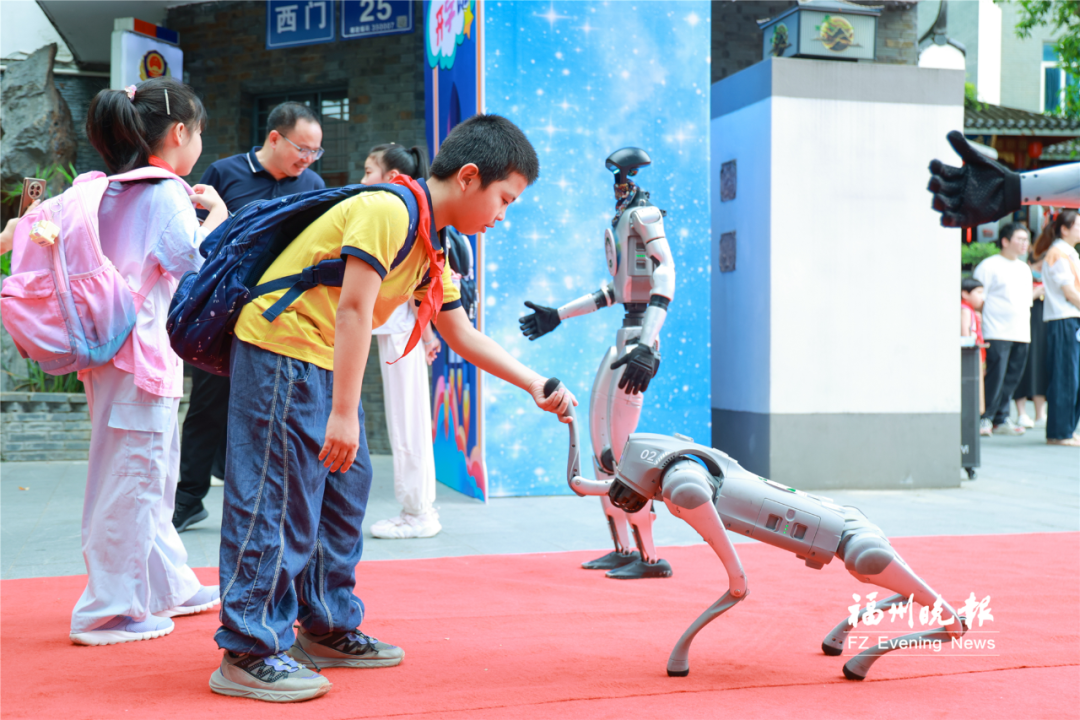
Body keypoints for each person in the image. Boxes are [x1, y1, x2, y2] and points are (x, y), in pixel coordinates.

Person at [208, 114, 575, 702]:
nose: (503, 215)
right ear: (471, 177)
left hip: (320, 360)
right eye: (504, 199)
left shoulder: (433, 242)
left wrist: (534, 383)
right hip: (281, 347)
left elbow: (460, 333)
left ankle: (325, 624)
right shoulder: (391, 210)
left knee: (344, 486)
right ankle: (249, 650)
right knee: (276, 497)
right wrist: (346, 414)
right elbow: (354, 309)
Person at [69, 77, 228, 645]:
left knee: (147, 474)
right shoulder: (163, 192)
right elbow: (201, 270)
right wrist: (220, 215)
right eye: (201, 132)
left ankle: (167, 586)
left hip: (115, 354)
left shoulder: (107, 188)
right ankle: (109, 609)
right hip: (142, 357)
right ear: (180, 131)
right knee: (134, 478)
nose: (201, 144)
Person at [173, 102, 326, 532]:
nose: (308, 159)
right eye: (302, 148)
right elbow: (198, 237)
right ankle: (188, 499)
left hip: (282, 315)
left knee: (275, 411)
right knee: (206, 405)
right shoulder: (225, 173)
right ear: (274, 138)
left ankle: (273, 507)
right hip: (224, 311)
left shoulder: (311, 184)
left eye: (316, 152)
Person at [361, 143, 445, 539]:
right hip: (394, 325)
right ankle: (418, 511)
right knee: (406, 418)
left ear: (392, 178)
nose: (362, 181)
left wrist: (423, 332)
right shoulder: (398, 214)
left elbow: (420, 280)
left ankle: (419, 513)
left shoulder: (403, 215)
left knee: (408, 419)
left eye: (367, 172)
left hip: (399, 329)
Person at [973, 224, 1033, 436]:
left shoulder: (1024, 268)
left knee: (1013, 377)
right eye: (1019, 238)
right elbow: (979, 299)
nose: (1024, 243)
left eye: (1026, 239)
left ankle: (1001, 417)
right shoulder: (989, 266)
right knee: (996, 376)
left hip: (1021, 330)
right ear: (1005, 241)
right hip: (996, 330)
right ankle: (985, 417)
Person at [1034, 209, 1080, 446]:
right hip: (1063, 319)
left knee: (1073, 376)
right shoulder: (1058, 253)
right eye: (1078, 225)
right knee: (1065, 376)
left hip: (1071, 318)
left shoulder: (1068, 252)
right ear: (1065, 228)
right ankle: (1059, 432)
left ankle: (1067, 429)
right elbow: (1069, 291)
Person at [1013, 234, 1050, 428]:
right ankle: (1021, 413)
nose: (1041, 271)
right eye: (1038, 267)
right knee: (1024, 367)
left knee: (1041, 366)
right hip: (1023, 325)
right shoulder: (1021, 274)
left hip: (1043, 326)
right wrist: (1037, 292)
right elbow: (1018, 300)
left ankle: (1040, 413)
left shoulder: (1051, 277)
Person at [961, 277, 990, 433]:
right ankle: (973, 424)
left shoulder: (970, 311)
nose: (982, 297)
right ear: (965, 293)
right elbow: (965, 335)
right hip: (971, 355)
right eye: (978, 292)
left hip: (977, 355)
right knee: (974, 391)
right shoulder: (965, 310)